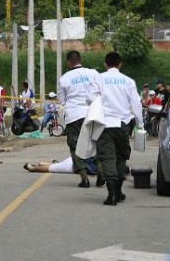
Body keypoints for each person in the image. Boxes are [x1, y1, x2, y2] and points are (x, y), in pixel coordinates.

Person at [87, 52, 143, 206]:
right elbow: (136, 104)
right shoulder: (128, 81)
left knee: (107, 158)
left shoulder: (98, 78)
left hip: (104, 124)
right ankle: (118, 191)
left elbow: (89, 98)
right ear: (120, 64)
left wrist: (102, 103)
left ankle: (111, 195)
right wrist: (140, 124)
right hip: (123, 124)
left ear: (105, 64)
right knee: (121, 157)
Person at [58, 50, 103, 188]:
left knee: (76, 147)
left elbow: (62, 100)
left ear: (68, 62)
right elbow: (101, 91)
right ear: (80, 59)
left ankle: (84, 179)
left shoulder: (64, 78)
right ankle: (101, 172)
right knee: (95, 143)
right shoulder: (93, 73)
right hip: (92, 113)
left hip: (73, 116)